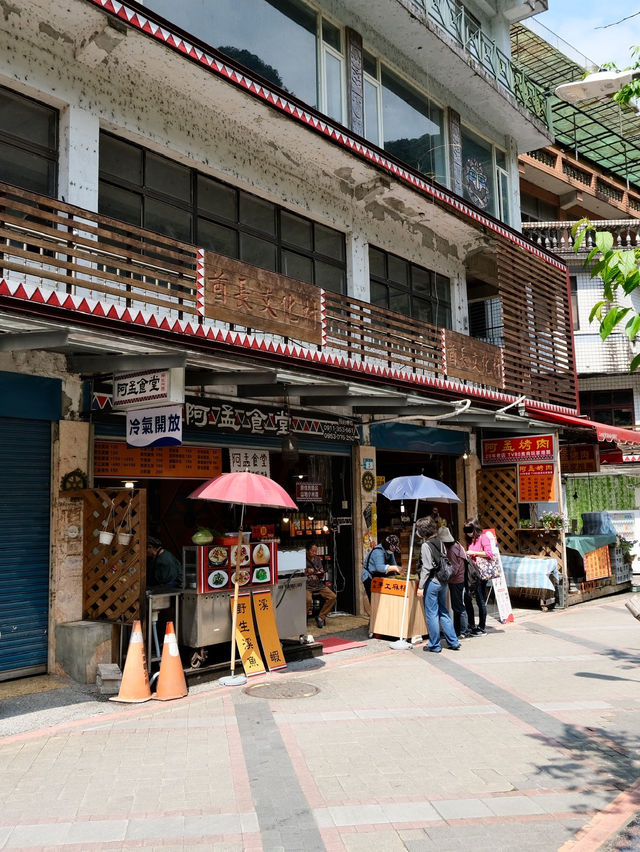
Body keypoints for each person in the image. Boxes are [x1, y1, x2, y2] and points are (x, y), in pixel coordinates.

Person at [416, 517, 460, 653]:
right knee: (444, 610)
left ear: (422, 532)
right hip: (443, 582)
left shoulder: (425, 545)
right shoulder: (440, 542)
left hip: (432, 582)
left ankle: (434, 645)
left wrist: (421, 587)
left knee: (432, 614)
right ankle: (453, 641)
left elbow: (427, 567)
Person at [437, 526, 469, 641]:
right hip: (460, 579)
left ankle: (463, 631)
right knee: (458, 606)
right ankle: (458, 630)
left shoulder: (451, 551)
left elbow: (453, 570)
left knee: (458, 606)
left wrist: (444, 575)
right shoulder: (458, 545)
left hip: (456, 581)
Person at [463, 518, 493, 636]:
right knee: (468, 598)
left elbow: (489, 554)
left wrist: (473, 553)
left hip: (480, 573)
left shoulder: (483, 537)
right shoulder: (471, 540)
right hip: (471, 573)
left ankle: (481, 627)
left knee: (480, 600)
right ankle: (471, 624)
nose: (467, 532)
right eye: (466, 530)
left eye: (469, 529)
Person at [360, 533, 401, 602]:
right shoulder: (378, 551)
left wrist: (398, 573)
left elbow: (394, 564)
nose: (393, 550)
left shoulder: (390, 552)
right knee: (374, 601)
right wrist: (394, 568)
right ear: (388, 545)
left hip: (379, 576)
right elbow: (380, 567)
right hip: (369, 577)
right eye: (393, 547)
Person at [305, 543, 337, 628]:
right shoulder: (303, 559)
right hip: (307, 585)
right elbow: (298, 573)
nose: (314, 553)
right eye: (312, 551)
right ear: (307, 551)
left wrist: (321, 572)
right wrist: (307, 571)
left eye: (316, 551)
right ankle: (302, 618)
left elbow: (321, 571)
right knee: (308, 599)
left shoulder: (317, 559)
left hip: (318, 584)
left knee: (332, 596)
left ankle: (320, 617)